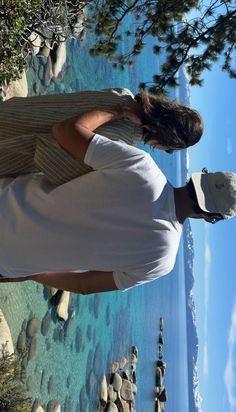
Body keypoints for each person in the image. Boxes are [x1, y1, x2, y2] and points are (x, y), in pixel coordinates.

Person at [0, 107, 234, 293]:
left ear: (200, 179)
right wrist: (32, 274)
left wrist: (118, 111)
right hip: (8, 261)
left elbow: (65, 131)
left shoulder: (142, 168)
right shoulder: (163, 259)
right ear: (210, 216)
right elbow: (84, 286)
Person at [0, 88, 203, 186]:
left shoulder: (122, 94)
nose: (160, 149)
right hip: (12, 147)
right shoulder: (122, 140)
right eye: (167, 147)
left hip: (15, 112)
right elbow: (55, 153)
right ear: (165, 138)